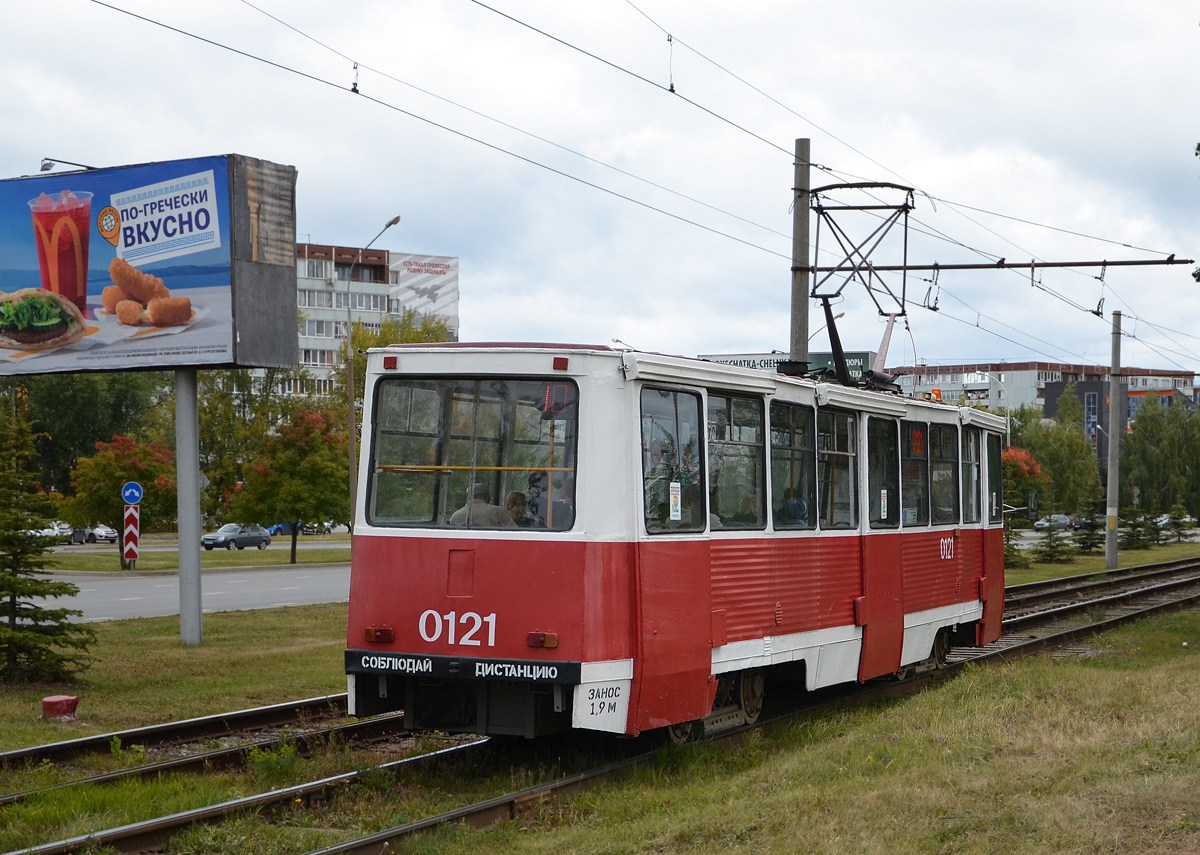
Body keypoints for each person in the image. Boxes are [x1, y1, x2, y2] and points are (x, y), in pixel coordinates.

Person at [450, 483, 516, 527]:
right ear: (487, 498)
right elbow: (515, 533)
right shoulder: (498, 511)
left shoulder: (455, 516)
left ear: (467, 498)